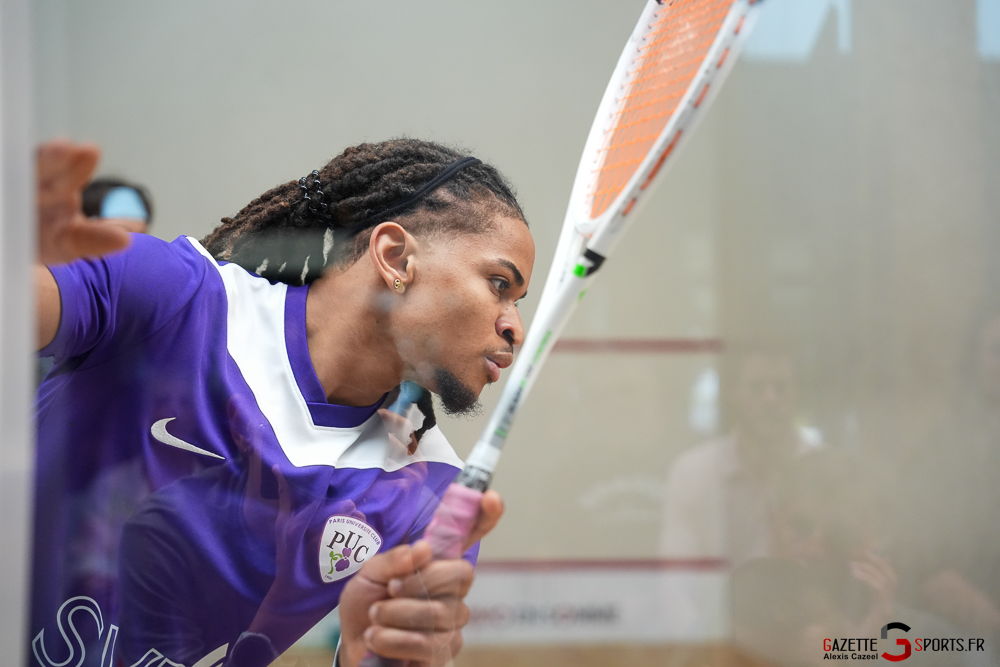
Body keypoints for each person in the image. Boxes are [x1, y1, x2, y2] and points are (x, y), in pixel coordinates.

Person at [32, 138, 533, 667]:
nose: (514, 328)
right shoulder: (172, 295)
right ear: (395, 257)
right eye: (499, 284)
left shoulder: (428, 490)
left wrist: (376, 659)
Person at [659, 344, 821, 567]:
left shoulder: (825, 474)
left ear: (797, 393)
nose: (770, 399)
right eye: (757, 387)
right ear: (733, 393)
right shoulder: (693, 473)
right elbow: (678, 582)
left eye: (781, 387)